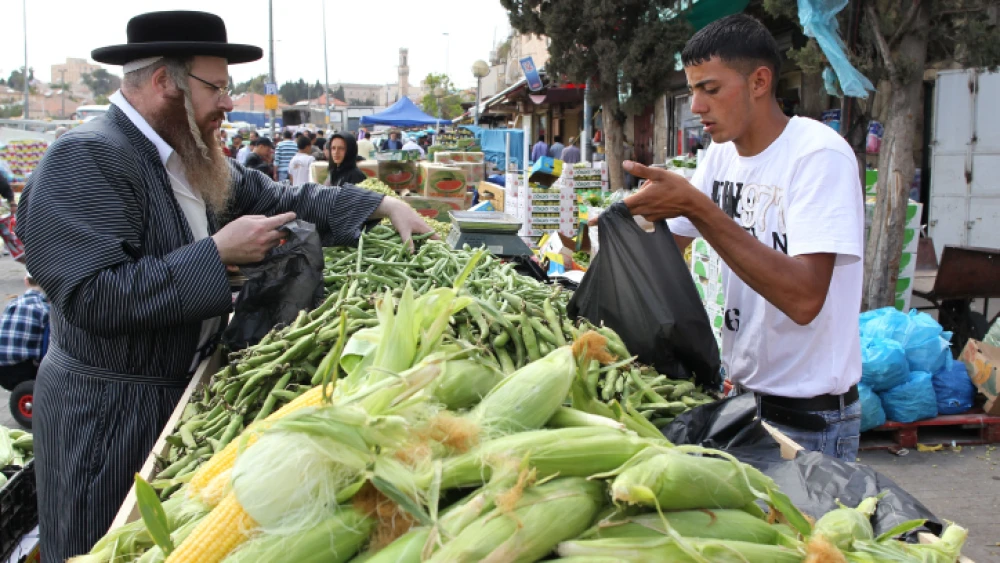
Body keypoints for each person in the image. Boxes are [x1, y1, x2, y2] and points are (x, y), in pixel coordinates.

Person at [16, 11, 433, 561]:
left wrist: (381, 203)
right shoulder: (88, 157)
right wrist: (216, 255)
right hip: (107, 415)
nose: (229, 103)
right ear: (166, 82)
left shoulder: (188, 156)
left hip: (170, 396)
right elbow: (90, 295)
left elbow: (289, 201)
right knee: (101, 545)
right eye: (216, 87)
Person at [594, 14, 864, 462]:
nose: (696, 105)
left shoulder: (819, 156)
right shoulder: (721, 156)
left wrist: (697, 207)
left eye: (710, 89)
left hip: (810, 423)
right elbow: (668, 244)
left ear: (759, 81)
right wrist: (622, 228)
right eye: (693, 89)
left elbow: (804, 298)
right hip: (740, 405)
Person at [0, 270, 50, 391]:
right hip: (27, 371)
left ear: (26, 282)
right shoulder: (46, 309)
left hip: (2, 369)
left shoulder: (12, 304)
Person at [0, 172, 24, 263]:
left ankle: (34, 269)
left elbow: (5, 188)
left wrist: (12, 203)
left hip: (3, 219)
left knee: (17, 248)